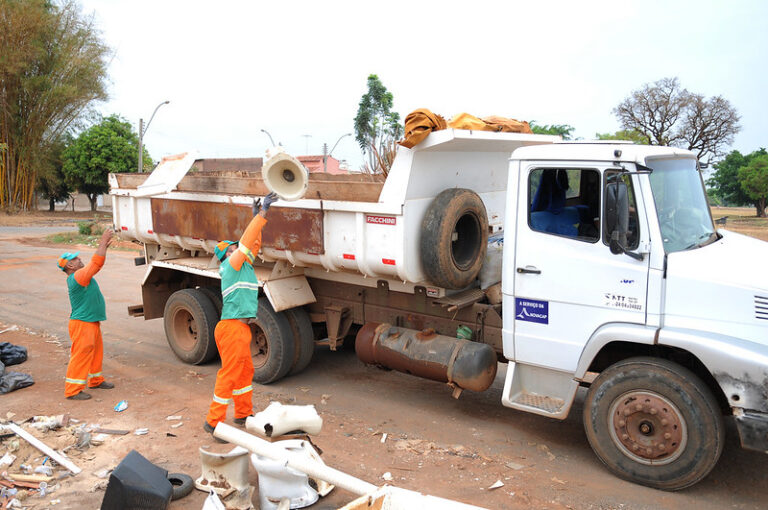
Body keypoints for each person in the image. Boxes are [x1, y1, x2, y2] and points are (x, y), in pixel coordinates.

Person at [204, 192, 277, 438]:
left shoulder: (243, 265)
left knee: (245, 373)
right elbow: (246, 243)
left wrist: (255, 217)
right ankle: (213, 423)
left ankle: (243, 413)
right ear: (227, 252)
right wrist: (262, 215)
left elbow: (252, 244)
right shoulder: (230, 265)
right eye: (234, 247)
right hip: (231, 328)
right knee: (229, 374)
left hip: (241, 329)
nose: (239, 249)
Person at [58, 228, 115, 400]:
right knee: (81, 355)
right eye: (75, 259)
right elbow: (96, 263)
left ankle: (96, 380)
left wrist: (104, 245)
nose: (79, 259)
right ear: (70, 265)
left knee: (96, 352)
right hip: (82, 323)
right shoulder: (77, 277)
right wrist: (103, 242)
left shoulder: (81, 276)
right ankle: (72, 390)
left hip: (90, 321)